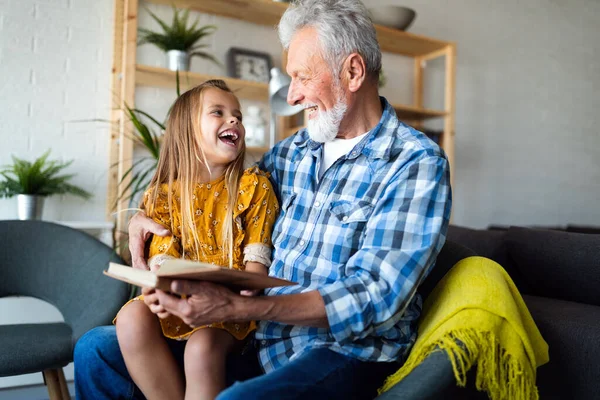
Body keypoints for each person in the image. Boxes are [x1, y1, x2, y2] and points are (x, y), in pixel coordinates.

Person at [74, 1, 452, 399]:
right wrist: (142, 217)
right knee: (95, 350)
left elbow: (376, 296)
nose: (291, 96)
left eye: (302, 77)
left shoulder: (414, 162)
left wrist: (240, 309)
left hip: (340, 352)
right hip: (256, 337)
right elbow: (222, 192)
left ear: (353, 72)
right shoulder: (289, 154)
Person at [112, 79, 279, 400]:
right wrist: (161, 287)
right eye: (218, 112)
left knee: (202, 347)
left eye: (238, 116)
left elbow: (257, 268)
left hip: (225, 310)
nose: (234, 120)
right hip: (177, 299)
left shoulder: (253, 186)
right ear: (187, 132)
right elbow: (160, 264)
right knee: (132, 317)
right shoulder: (162, 196)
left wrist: (244, 289)